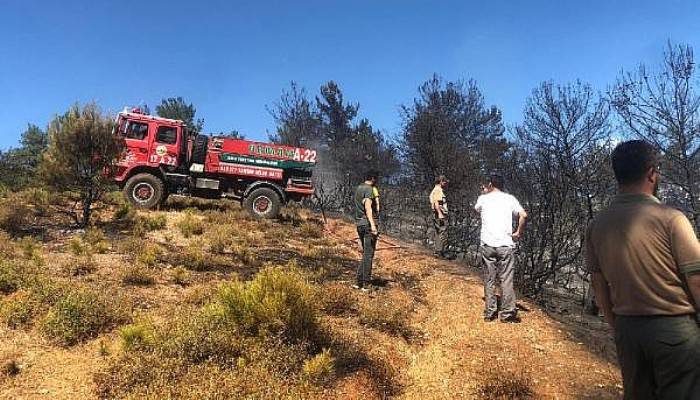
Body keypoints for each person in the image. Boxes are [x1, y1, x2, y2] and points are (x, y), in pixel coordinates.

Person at [586, 140, 700, 400]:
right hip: (675, 330)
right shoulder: (672, 219)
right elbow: (696, 279)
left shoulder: (597, 224)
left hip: (628, 330)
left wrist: (617, 326)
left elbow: (598, 283)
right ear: (651, 172)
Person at [474, 174, 527, 323]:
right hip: (505, 244)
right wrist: (518, 232)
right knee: (506, 279)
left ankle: (490, 312)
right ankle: (507, 314)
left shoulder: (483, 198)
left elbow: (476, 210)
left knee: (489, 279)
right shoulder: (510, 199)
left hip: (487, 244)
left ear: (490, 184)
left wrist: (484, 194)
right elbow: (523, 215)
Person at [353, 171, 379, 291]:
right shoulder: (369, 189)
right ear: (372, 178)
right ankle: (366, 284)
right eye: (376, 178)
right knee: (369, 255)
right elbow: (368, 208)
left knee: (366, 254)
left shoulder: (358, 188)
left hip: (359, 224)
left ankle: (358, 282)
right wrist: (373, 226)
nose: (377, 180)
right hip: (367, 224)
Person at [430, 175, 449, 257]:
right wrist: (440, 213)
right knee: (442, 232)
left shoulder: (434, 190)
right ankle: (440, 252)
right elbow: (436, 202)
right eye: (444, 182)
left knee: (438, 232)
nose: (445, 184)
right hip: (439, 214)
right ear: (441, 181)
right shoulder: (438, 190)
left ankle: (437, 251)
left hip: (436, 214)